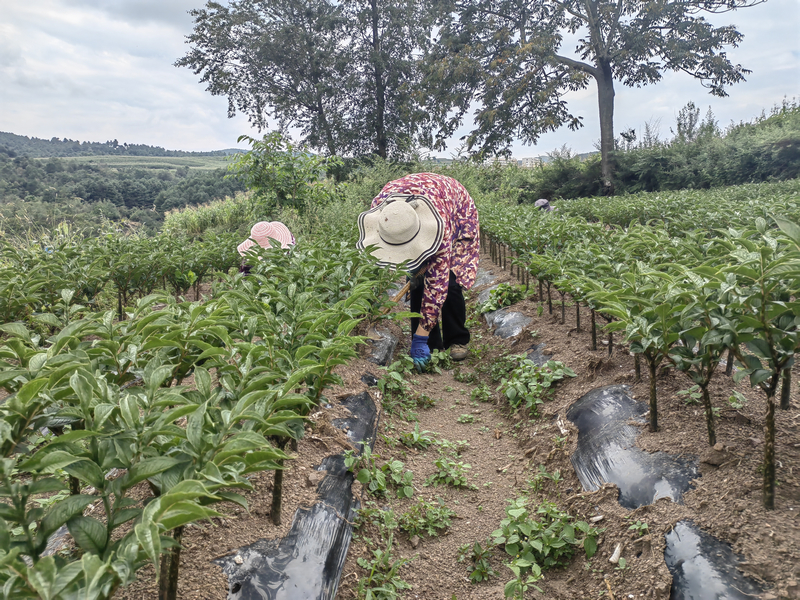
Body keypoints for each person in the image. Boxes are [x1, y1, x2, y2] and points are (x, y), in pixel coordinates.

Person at [357, 173, 480, 371]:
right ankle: (431, 343)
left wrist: (419, 339)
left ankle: (456, 339)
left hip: (456, 211)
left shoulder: (440, 227)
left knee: (449, 280)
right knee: (417, 280)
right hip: (420, 204)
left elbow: (437, 287)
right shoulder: (381, 211)